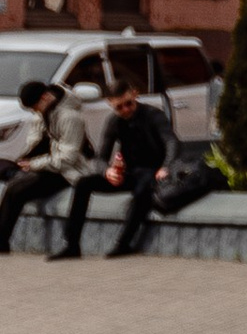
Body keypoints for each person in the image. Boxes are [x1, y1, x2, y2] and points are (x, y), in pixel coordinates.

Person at [63, 74, 176, 261]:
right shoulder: (114, 122)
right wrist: (107, 171)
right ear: (110, 104)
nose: (125, 110)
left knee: (142, 192)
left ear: (135, 95)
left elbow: (171, 142)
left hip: (152, 172)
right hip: (130, 173)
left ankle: (123, 244)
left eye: (128, 104)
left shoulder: (153, 115)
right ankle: (72, 244)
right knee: (84, 183)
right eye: (119, 107)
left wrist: (165, 167)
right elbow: (100, 158)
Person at [0, 75, 100, 259]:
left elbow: (68, 158)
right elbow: (34, 141)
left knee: (18, 190)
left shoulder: (70, 117)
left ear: (46, 97)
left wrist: (35, 164)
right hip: (51, 167)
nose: (35, 112)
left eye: (36, 107)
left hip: (70, 172)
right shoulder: (45, 113)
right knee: (13, 188)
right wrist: (27, 160)